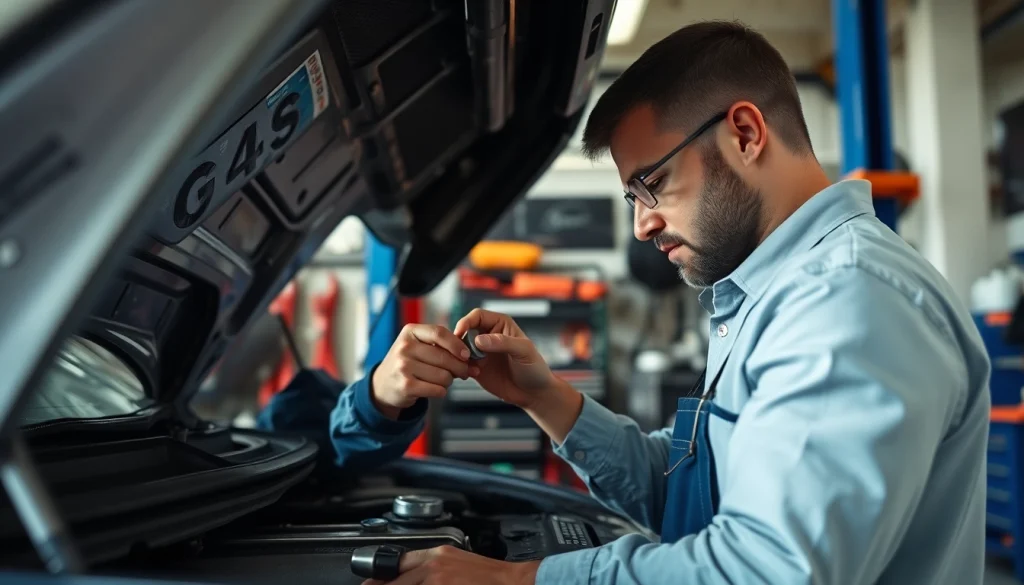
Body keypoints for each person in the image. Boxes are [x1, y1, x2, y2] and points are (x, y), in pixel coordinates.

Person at [315, 20, 991, 585]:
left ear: (746, 133)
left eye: (653, 183)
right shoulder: (775, 297)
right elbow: (691, 497)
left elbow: (766, 570)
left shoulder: (847, 302)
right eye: (633, 197)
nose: (641, 225)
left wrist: (514, 577)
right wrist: (543, 395)